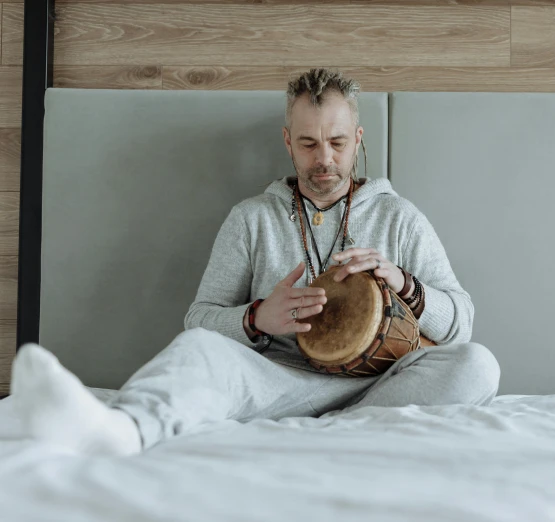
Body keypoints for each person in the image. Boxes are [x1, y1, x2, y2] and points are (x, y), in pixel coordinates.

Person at [9, 68, 500, 456]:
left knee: (478, 365)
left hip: (380, 385)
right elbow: (198, 319)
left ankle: (335, 432)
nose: (323, 158)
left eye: (337, 142)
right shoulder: (251, 219)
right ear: (288, 141)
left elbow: (462, 325)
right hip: (277, 382)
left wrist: (405, 284)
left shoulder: (401, 217)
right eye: (308, 144)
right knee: (199, 348)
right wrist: (256, 317)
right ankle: (122, 429)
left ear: (359, 138)